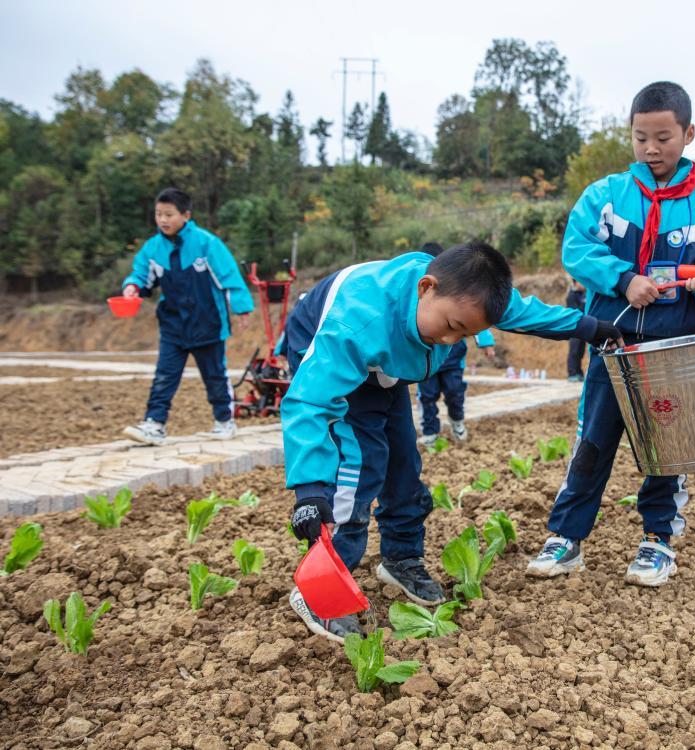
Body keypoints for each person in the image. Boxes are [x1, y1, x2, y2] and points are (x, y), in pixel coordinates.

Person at [282, 242, 621, 641]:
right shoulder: (357, 322)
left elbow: (528, 313)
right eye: (452, 327)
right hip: (325, 350)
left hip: (385, 366)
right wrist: (308, 490)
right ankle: (321, 589)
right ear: (426, 288)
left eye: (466, 334)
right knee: (361, 462)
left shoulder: (467, 296)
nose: (450, 340)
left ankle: (401, 558)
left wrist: (589, 328)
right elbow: (310, 401)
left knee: (404, 463)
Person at [526, 81, 695, 588]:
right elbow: (575, 250)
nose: (651, 148)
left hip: (674, 348)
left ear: (687, 134)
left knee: (669, 446)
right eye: (641, 137)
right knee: (592, 442)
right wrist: (624, 280)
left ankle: (658, 540)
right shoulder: (606, 197)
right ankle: (566, 537)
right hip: (612, 343)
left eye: (663, 137)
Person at [121, 188, 253, 446]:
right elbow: (140, 275)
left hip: (209, 324)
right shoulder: (152, 248)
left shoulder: (206, 243)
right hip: (173, 325)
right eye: (158, 214)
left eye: (169, 214)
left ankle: (224, 421)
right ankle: (154, 424)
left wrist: (241, 307)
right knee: (164, 376)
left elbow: (229, 277)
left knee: (215, 375)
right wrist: (132, 287)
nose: (163, 220)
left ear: (186, 215)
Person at [413, 243, 496, 443]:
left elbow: (473, 316)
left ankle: (457, 421)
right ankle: (430, 431)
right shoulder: (420, 291)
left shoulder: (457, 287)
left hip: (453, 359)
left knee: (455, 392)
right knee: (427, 396)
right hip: (426, 362)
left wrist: (486, 343)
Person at [566, 278, 588, 382]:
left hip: (584, 327)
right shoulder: (572, 295)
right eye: (580, 281)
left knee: (580, 351)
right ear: (575, 283)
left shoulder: (586, 294)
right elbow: (573, 311)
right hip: (574, 327)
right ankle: (572, 373)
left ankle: (579, 372)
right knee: (574, 351)